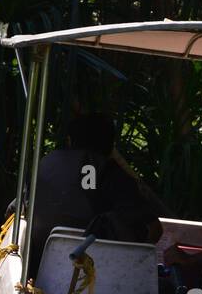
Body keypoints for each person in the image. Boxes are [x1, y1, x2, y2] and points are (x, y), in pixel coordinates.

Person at [24, 113, 163, 278]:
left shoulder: (45, 164)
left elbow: (17, 209)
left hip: (37, 268)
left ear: (70, 140)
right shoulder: (112, 174)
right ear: (110, 145)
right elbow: (155, 229)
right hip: (96, 274)